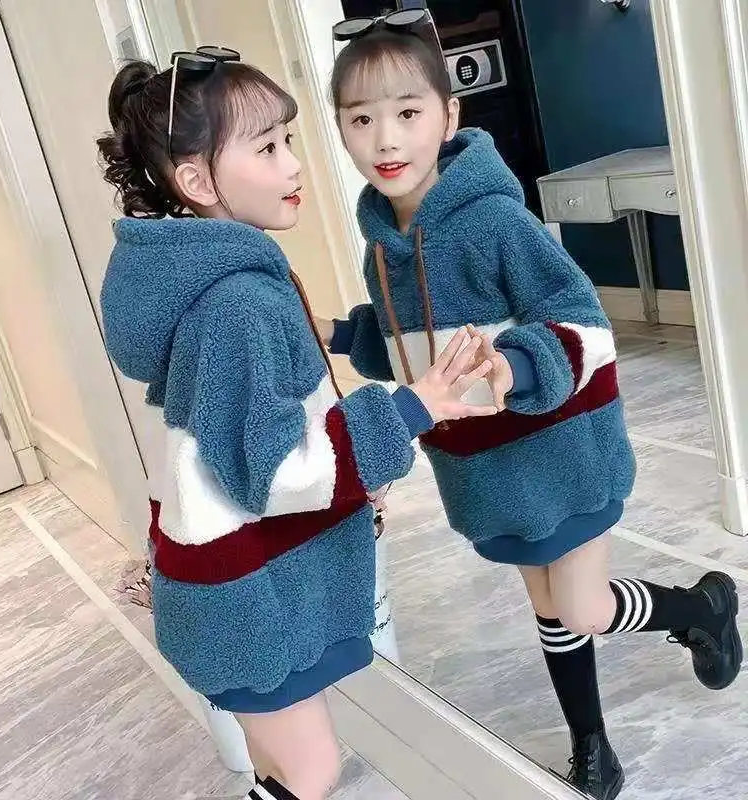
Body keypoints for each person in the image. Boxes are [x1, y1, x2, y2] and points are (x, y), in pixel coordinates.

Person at [322, 18, 743, 800]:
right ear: (341, 128)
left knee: (580, 606)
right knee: (549, 604)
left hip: (563, 448)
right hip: (488, 473)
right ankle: (592, 745)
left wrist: (515, 365)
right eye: (360, 118)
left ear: (449, 115)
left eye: (408, 112)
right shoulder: (382, 249)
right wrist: (343, 335)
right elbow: (407, 346)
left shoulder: (495, 222)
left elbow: (583, 320)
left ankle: (700, 606)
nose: (386, 137)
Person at [96, 48, 494, 800]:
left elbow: (227, 445)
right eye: (267, 148)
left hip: (230, 586)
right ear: (197, 182)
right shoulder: (237, 303)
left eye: (289, 139)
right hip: (248, 598)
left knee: (280, 768)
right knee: (312, 771)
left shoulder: (212, 287)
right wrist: (410, 408)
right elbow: (275, 469)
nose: (293, 164)